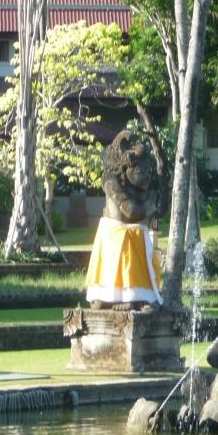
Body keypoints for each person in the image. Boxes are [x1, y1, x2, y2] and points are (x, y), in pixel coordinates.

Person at [85, 131, 163, 310]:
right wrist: (150, 208)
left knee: (134, 266)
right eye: (142, 171)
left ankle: (136, 296)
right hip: (115, 235)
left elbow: (150, 214)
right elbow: (131, 211)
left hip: (135, 235)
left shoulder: (142, 190)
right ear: (128, 168)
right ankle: (114, 296)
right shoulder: (111, 182)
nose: (147, 176)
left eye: (149, 172)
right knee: (120, 265)